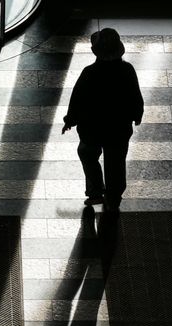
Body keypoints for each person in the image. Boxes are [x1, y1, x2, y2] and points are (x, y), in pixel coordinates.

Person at [62, 28, 144, 211]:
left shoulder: (89, 73)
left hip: (92, 128)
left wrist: (70, 120)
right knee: (116, 162)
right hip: (118, 129)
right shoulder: (127, 70)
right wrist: (137, 115)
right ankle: (113, 196)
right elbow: (135, 96)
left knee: (87, 154)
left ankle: (95, 191)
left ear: (96, 52)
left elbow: (77, 100)